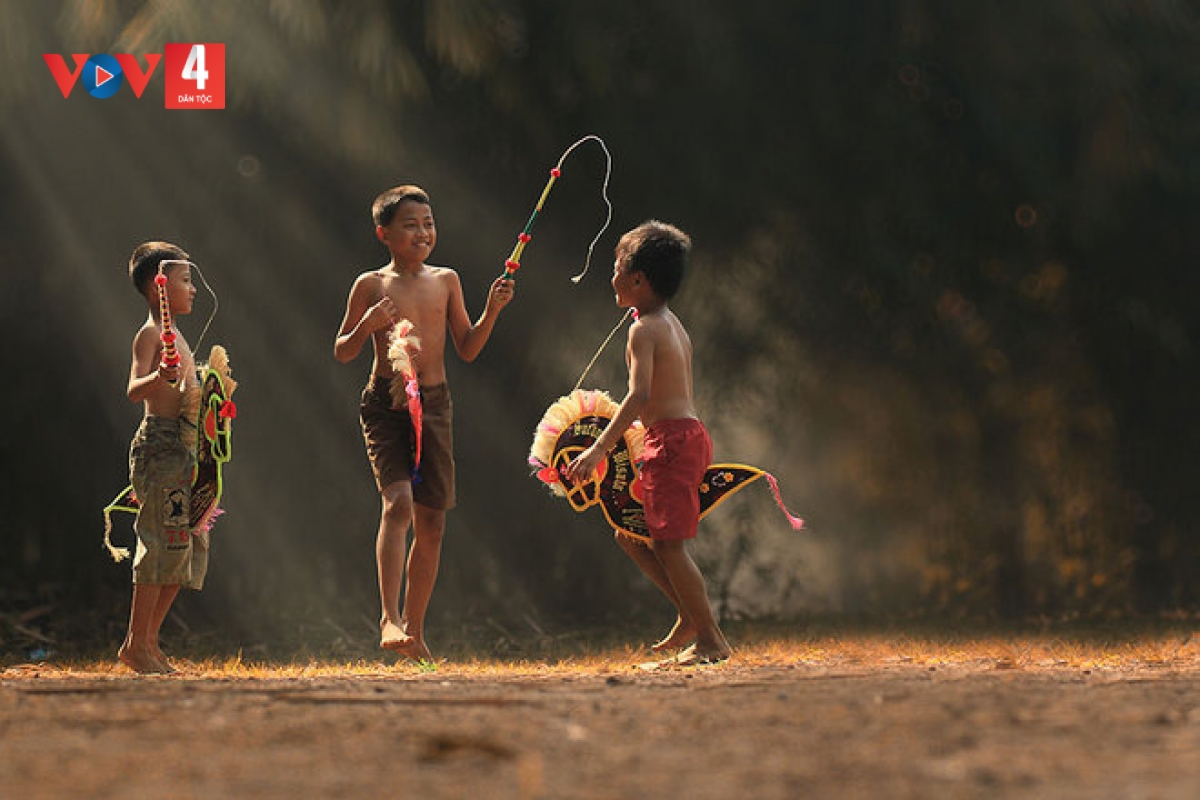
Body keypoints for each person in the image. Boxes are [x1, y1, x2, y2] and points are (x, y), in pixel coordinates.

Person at [335, 185, 514, 661]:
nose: (423, 233)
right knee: (398, 505)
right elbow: (343, 350)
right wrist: (368, 324)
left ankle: (414, 633)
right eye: (410, 225)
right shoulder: (370, 284)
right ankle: (388, 618)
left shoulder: (447, 280)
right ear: (383, 233)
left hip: (435, 405)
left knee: (432, 522)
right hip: (386, 404)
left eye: (428, 224)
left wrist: (492, 310)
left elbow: (468, 348)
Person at [566, 221, 732, 665]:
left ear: (637, 279)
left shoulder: (644, 329)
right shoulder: (670, 323)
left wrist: (599, 448)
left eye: (616, 267)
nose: (612, 276)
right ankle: (689, 616)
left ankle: (711, 639)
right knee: (630, 533)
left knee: (669, 546)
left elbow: (640, 395)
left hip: (673, 443)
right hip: (679, 437)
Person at [119, 241, 201, 674]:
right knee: (159, 541)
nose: (194, 289)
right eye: (186, 280)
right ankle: (135, 643)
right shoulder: (150, 334)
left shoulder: (179, 336)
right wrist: (158, 376)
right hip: (159, 447)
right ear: (159, 287)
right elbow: (134, 389)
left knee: (182, 544)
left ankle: (148, 642)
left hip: (185, 447)